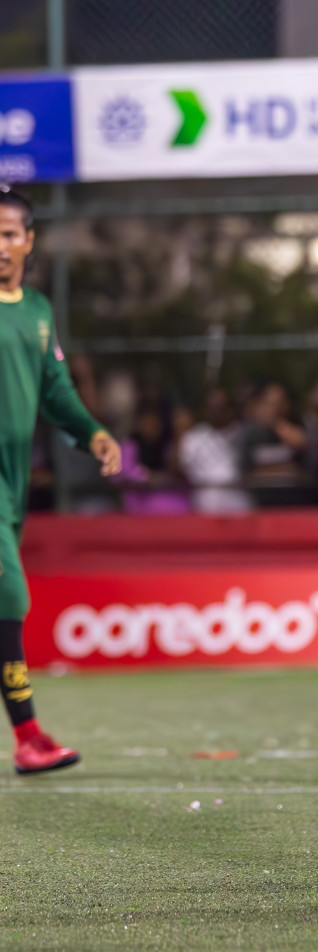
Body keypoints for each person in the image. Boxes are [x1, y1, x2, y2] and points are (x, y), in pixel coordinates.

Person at [0, 185, 122, 773]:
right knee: (9, 596)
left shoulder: (38, 311)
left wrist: (92, 432)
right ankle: (28, 736)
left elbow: (56, 392)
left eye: (8, 234)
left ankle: (29, 736)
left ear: (28, 241)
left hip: (11, 483)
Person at [179, 388, 252, 514]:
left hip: (237, 497)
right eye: (213, 408)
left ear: (230, 408)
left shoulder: (242, 432)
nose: (217, 412)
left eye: (221, 407)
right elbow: (180, 468)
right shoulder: (194, 437)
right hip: (206, 499)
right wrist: (179, 430)